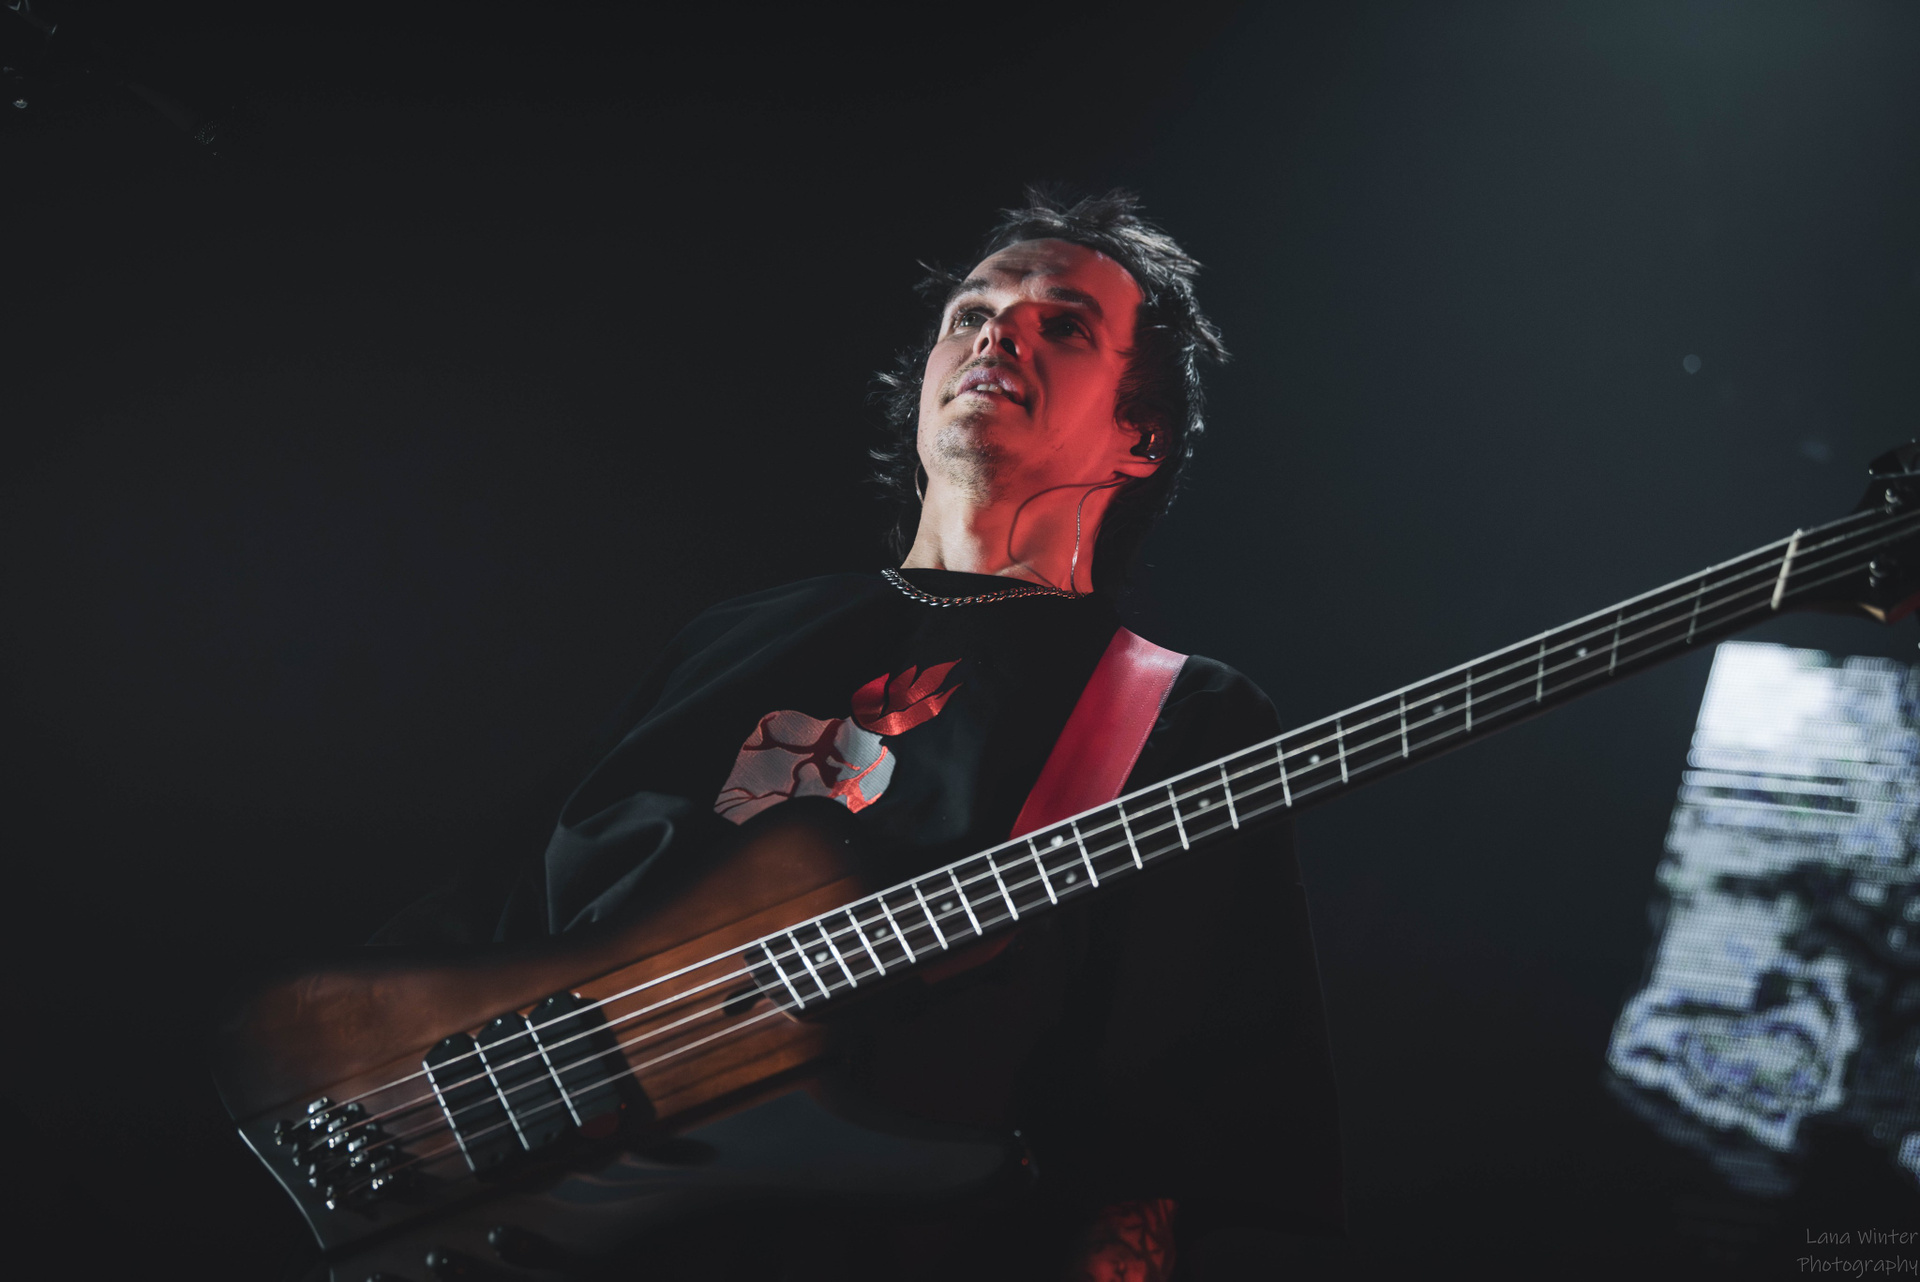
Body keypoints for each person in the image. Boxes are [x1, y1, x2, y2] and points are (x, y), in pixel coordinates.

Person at [389, 189, 1343, 1280]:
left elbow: (1187, 1110)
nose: (999, 334)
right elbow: (485, 912)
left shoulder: (1177, 712)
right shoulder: (732, 635)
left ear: (1142, 434)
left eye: (1063, 325)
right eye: (972, 313)